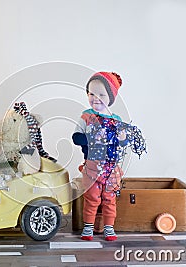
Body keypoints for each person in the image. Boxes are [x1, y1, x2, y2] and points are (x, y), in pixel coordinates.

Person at [72, 71, 133, 241]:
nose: (95, 98)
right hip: (92, 166)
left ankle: (109, 227)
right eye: (91, 93)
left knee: (109, 198)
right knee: (91, 197)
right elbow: (76, 137)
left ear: (111, 97)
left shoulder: (116, 119)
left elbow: (123, 143)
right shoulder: (86, 116)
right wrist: (91, 139)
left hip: (111, 168)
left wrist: (123, 138)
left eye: (101, 94)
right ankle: (88, 227)